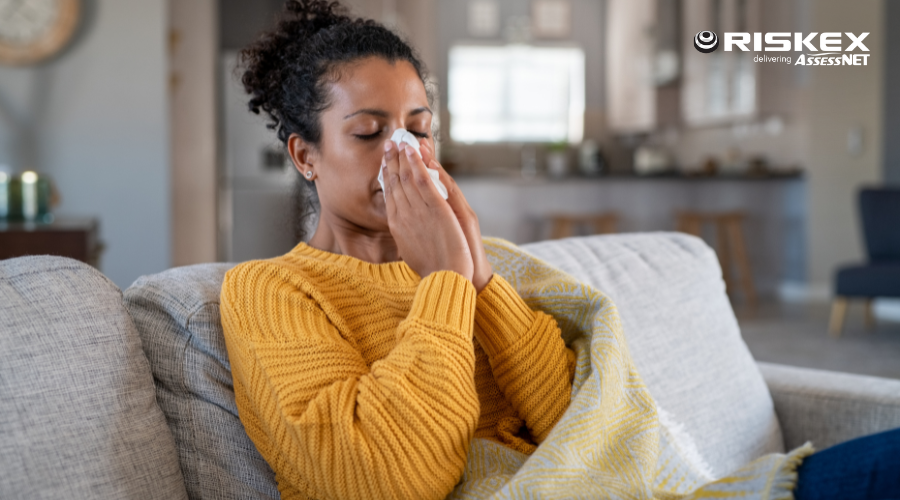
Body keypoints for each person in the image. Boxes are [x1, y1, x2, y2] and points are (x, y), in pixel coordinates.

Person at [220, 2, 900, 500]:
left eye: (419, 129)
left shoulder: (479, 264)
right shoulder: (272, 293)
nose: (404, 153)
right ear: (305, 154)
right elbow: (386, 477)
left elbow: (580, 420)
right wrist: (448, 286)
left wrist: (482, 282)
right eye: (369, 131)